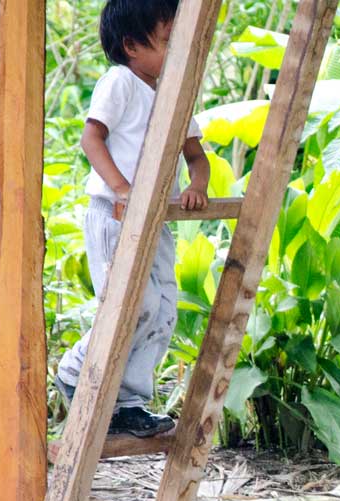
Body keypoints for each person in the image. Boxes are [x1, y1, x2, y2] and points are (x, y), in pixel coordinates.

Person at [54, 0, 211, 437]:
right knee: (130, 303)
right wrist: (123, 188)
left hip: (155, 219)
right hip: (116, 215)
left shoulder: (174, 93)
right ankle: (75, 369)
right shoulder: (120, 82)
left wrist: (196, 186)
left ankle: (128, 402)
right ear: (132, 45)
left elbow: (196, 156)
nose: (176, 52)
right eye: (167, 42)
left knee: (162, 309)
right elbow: (91, 138)